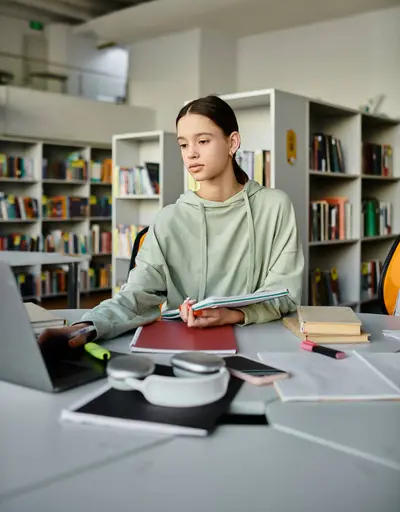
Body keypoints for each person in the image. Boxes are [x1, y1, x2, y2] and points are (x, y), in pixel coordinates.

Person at [40, 95, 304, 349]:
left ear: (232, 143)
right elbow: (136, 296)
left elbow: (285, 294)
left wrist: (232, 314)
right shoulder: (169, 219)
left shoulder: (274, 206)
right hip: (183, 344)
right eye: (183, 144)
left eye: (202, 141)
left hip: (261, 342)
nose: (191, 154)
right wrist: (86, 327)